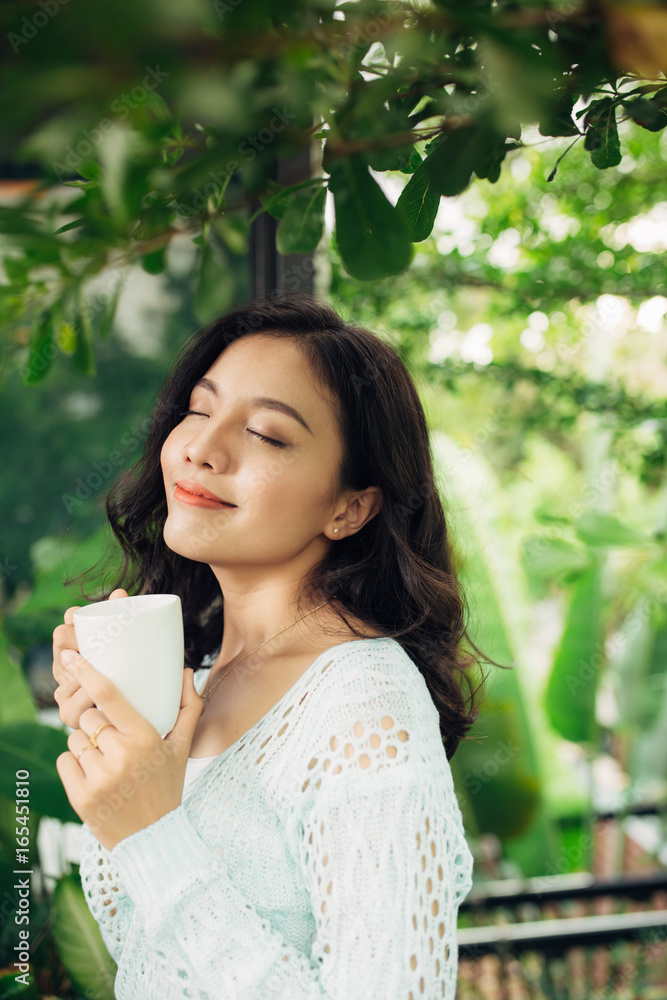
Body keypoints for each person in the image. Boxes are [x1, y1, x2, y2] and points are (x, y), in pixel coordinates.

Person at [52, 295, 490, 999]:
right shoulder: (198, 675)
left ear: (349, 508)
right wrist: (115, 744)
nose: (201, 447)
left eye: (266, 434)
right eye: (199, 409)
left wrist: (152, 834)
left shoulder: (363, 711)